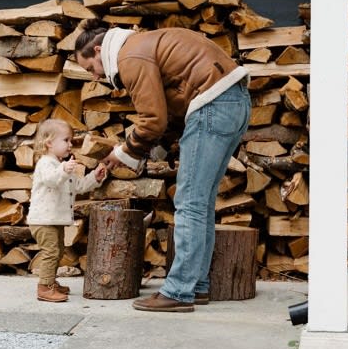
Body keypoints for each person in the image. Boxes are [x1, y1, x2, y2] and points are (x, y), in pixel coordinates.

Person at [74, 19, 251, 313]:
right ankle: (197, 286)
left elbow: (153, 119)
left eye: (90, 68)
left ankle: (179, 291)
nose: (95, 77)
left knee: (189, 202)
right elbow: (166, 113)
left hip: (213, 103)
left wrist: (125, 152)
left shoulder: (129, 56)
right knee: (201, 202)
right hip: (234, 102)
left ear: (97, 50)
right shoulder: (141, 45)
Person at [27, 118, 108, 303]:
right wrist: (64, 169)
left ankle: (51, 282)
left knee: (58, 250)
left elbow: (77, 187)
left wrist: (94, 178)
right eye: (66, 140)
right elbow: (51, 180)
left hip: (54, 219)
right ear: (49, 143)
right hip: (42, 220)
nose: (70, 145)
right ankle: (44, 287)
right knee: (51, 252)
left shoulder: (61, 165)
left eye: (70, 140)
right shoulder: (45, 163)